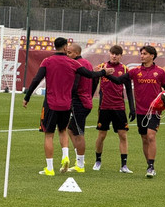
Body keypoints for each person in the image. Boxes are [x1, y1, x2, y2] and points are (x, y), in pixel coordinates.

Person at [23, 37, 113, 176]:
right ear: (65, 47)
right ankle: (65, 156)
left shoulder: (47, 61)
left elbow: (36, 79)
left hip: (52, 103)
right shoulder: (74, 63)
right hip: (67, 104)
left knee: (49, 135)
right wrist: (103, 72)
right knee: (64, 130)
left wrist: (27, 97)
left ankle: (50, 168)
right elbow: (90, 75)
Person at [107, 45, 165, 178]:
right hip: (141, 111)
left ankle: (151, 167)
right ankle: (149, 164)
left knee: (151, 136)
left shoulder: (160, 72)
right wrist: (105, 73)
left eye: (145, 54)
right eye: (141, 53)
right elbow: (118, 81)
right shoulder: (135, 71)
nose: (142, 56)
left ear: (152, 56)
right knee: (144, 138)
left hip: (154, 111)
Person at [92, 44, 135, 174]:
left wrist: (132, 108)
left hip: (119, 107)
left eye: (117, 54)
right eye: (112, 53)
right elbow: (94, 84)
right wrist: (89, 98)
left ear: (121, 56)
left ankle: (124, 165)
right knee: (102, 135)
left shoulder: (125, 69)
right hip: (104, 107)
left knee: (123, 135)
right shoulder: (102, 67)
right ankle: (98, 161)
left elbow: (129, 90)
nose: (114, 56)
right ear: (109, 54)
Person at [65, 43, 95, 173]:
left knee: (79, 132)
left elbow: (75, 84)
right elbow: (95, 80)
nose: (67, 55)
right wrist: (90, 95)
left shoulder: (76, 64)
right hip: (86, 100)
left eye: (70, 53)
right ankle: (79, 157)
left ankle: (80, 164)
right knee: (71, 129)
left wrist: (69, 96)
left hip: (79, 102)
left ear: (76, 53)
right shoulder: (88, 63)